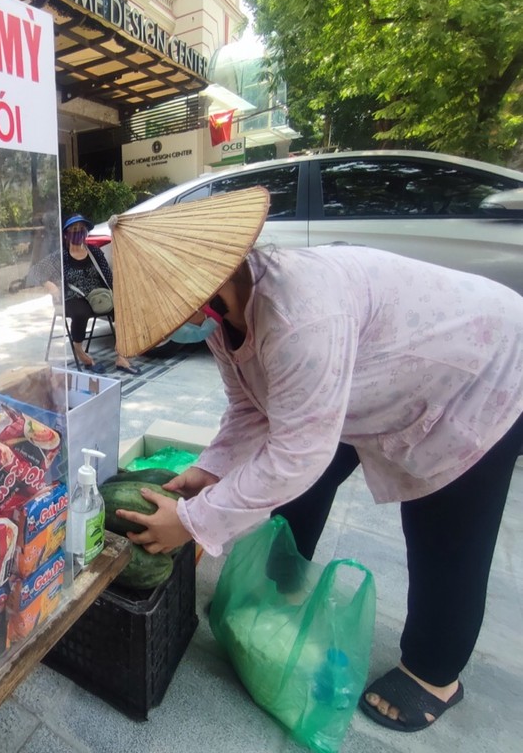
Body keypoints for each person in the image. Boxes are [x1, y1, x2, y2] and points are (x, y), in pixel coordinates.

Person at [111, 197, 523, 734]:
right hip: (362, 380)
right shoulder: (221, 316)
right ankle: (280, 589)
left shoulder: (300, 313)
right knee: (302, 485)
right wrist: (210, 469)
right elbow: (248, 410)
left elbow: (298, 453)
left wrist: (193, 523)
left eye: (168, 315)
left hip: (476, 366)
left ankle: (434, 673)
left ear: (200, 288)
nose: (169, 331)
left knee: (443, 523)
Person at [30, 214, 138, 374]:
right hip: (71, 297)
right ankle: (80, 352)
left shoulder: (94, 252)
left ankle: (121, 356)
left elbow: (108, 276)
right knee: (81, 313)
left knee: (122, 309)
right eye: (74, 230)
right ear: (66, 234)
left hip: (97, 296)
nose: (78, 233)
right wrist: (51, 286)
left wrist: (120, 295)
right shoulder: (61, 257)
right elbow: (35, 272)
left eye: (81, 230)